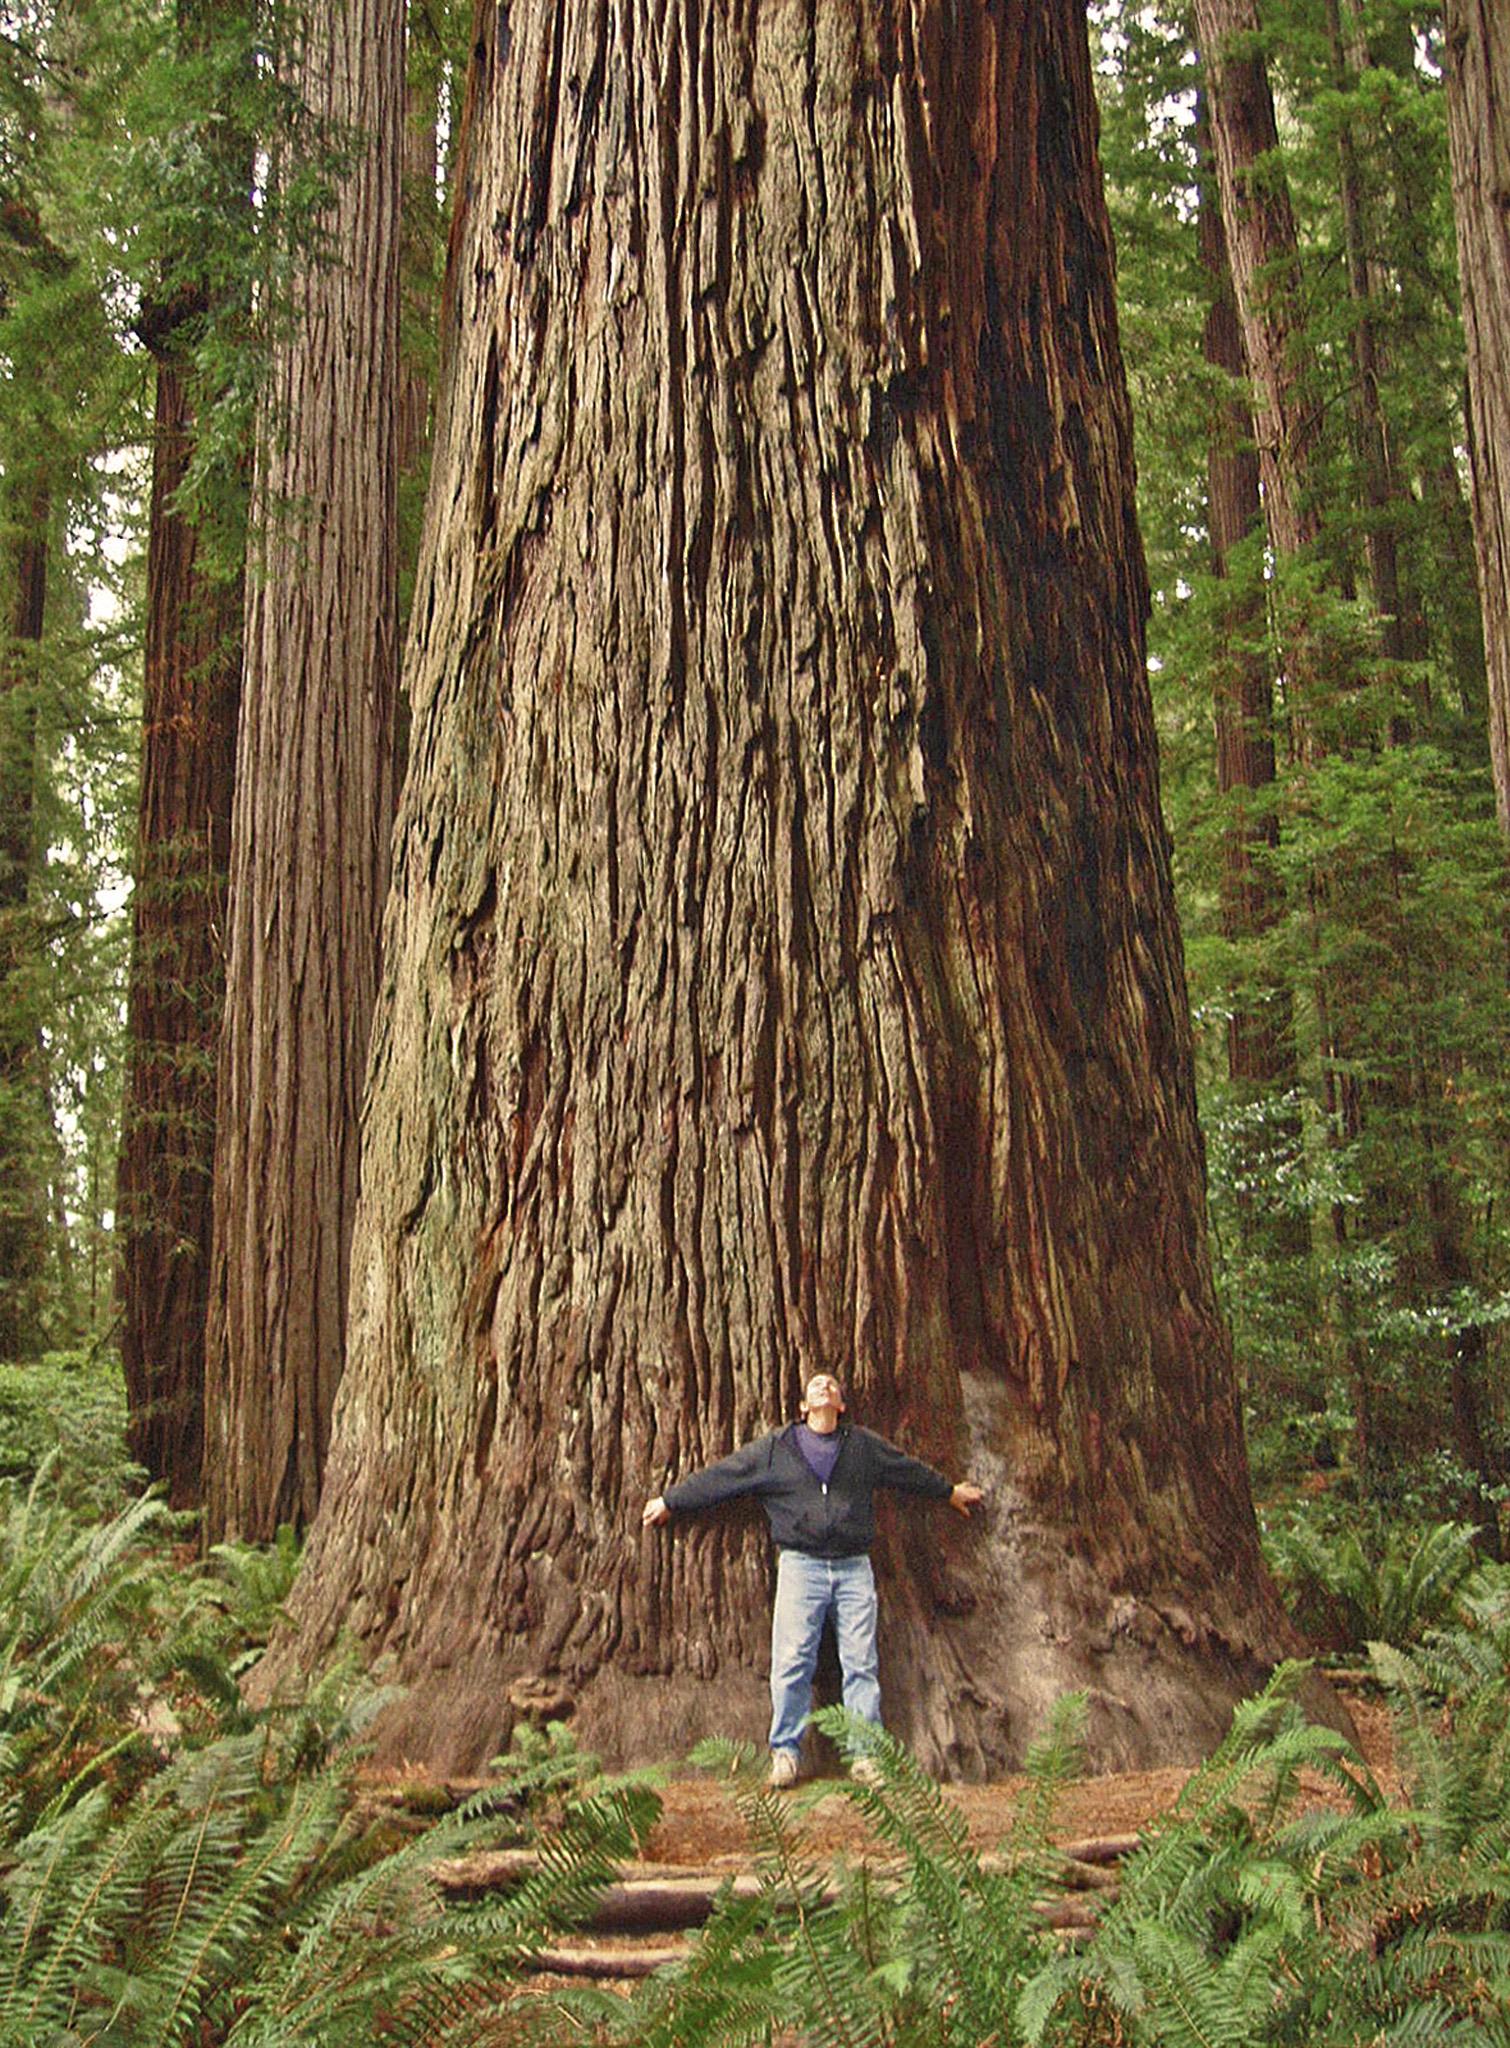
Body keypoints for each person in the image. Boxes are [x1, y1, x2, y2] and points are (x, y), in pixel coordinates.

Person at [642, 1372, 984, 1787]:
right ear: (803, 1407)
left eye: (832, 1385)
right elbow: (725, 1476)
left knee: (860, 1664)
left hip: (853, 1567)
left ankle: (865, 1755)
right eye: (815, 1385)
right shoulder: (777, 1449)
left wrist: (948, 1492)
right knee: (792, 1663)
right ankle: (785, 1753)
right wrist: (671, 1501)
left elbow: (906, 1470)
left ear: (840, 1406)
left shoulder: (862, 1446)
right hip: (801, 1567)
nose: (824, 1386)